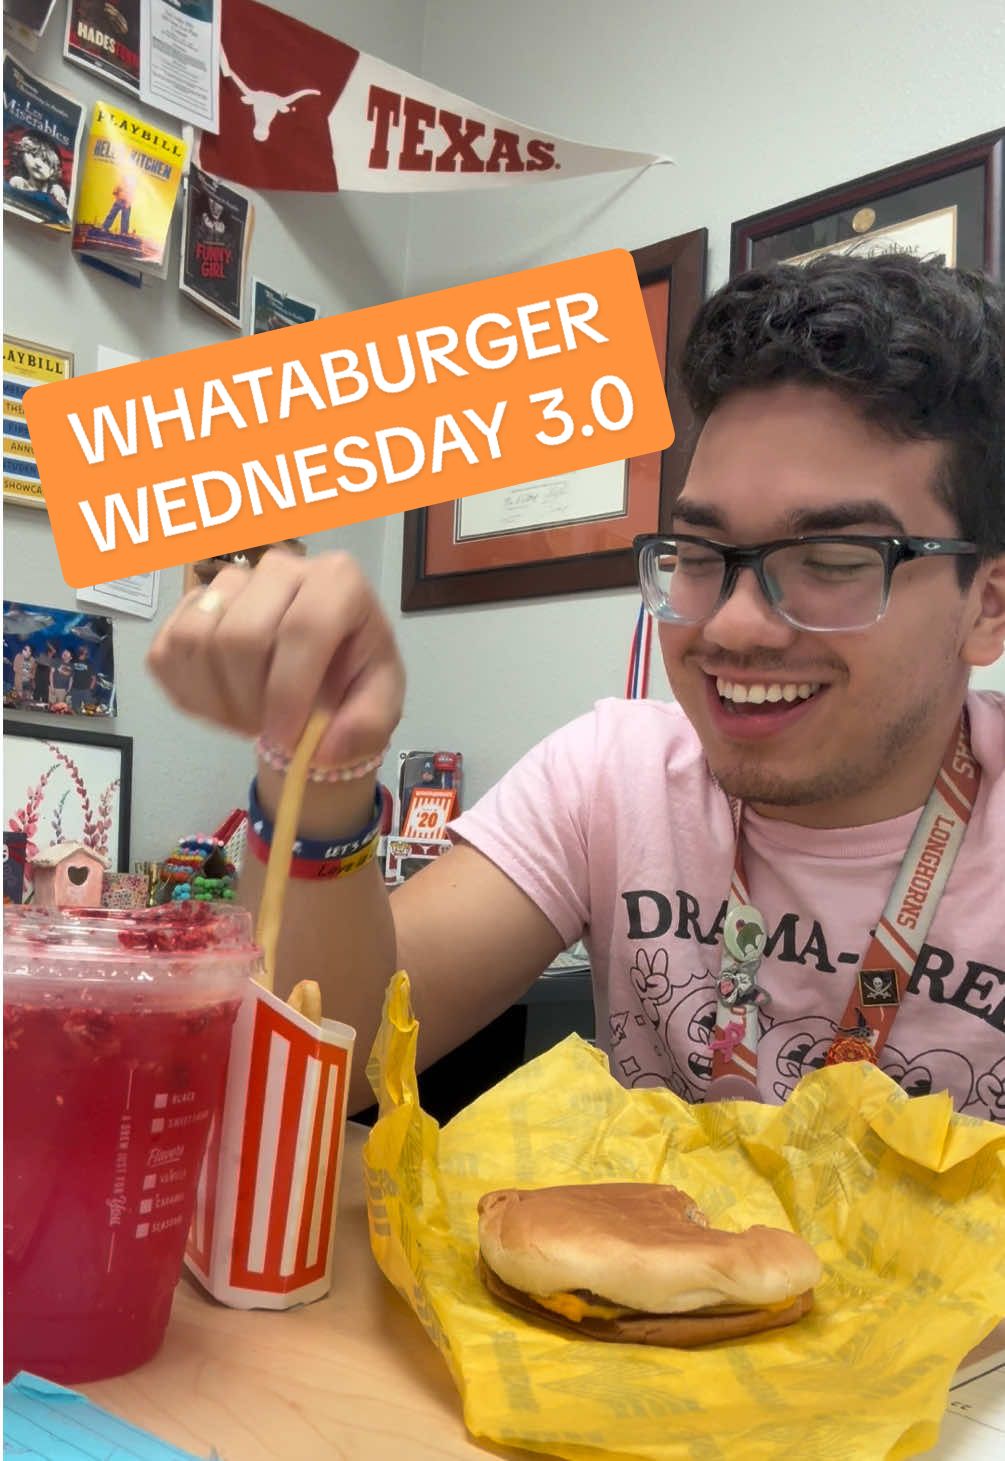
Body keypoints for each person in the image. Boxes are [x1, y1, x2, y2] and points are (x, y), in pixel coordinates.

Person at [148, 251, 1005, 1123]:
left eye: (831, 559)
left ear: (987, 605)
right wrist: (320, 763)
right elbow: (334, 1062)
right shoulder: (616, 776)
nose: (733, 625)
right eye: (700, 554)